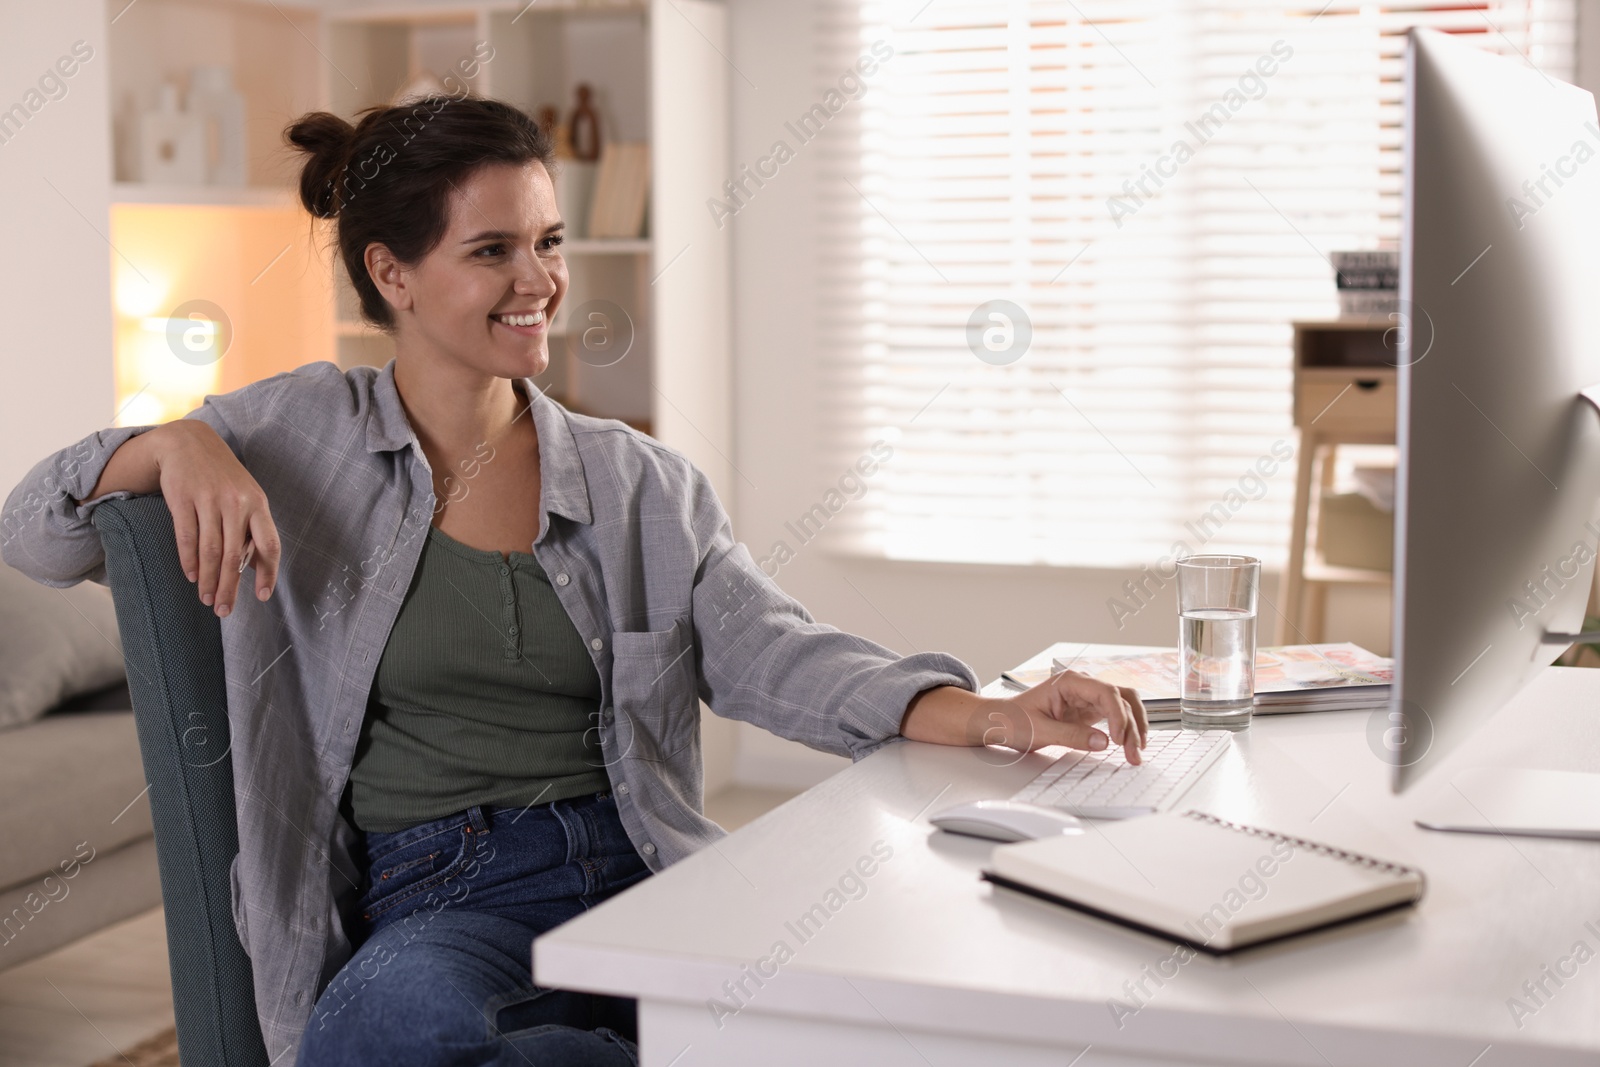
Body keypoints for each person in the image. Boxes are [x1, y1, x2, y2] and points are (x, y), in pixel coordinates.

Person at [0, 95, 1146, 1067]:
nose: (539, 279)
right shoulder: (297, 435)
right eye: (492, 250)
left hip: (640, 860)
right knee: (375, 1031)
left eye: (548, 242)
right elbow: (33, 530)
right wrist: (170, 443)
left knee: (864, 1011)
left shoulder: (637, 479)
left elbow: (768, 646)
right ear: (391, 273)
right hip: (440, 888)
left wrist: (992, 711)